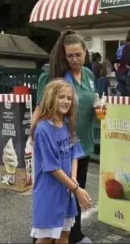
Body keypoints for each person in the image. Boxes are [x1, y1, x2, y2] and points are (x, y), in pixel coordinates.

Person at [33, 30, 97, 244]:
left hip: (80, 144)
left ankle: (73, 234)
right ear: (64, 55)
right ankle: (44, 234)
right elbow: (40, 107)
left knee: (74, 192)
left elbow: (91, 102)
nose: (74, 59)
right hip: (58, 143)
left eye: (78, 54)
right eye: (70, 55)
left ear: (86, 53)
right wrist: (31, 138)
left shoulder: (89, 75)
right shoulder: (56, 76)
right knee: (57, 192)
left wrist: (100, 111)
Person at [30, 79, 93, 244]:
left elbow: (74, 154)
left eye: (69, 98)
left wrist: (73, 178)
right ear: (51, 98)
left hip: (66, 190)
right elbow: (52, 167)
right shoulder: (43, 129)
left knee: (65, 233)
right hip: (49, 191)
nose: (66, 101)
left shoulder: (67, 124)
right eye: (61, 97)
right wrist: (76, 188)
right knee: (46, 236)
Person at [114, 30, 130, 96]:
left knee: (122, 95)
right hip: (128, 74)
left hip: (119, 74)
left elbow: (116, 61)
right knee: (129, 97)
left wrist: (117, 69)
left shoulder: (120, 47)